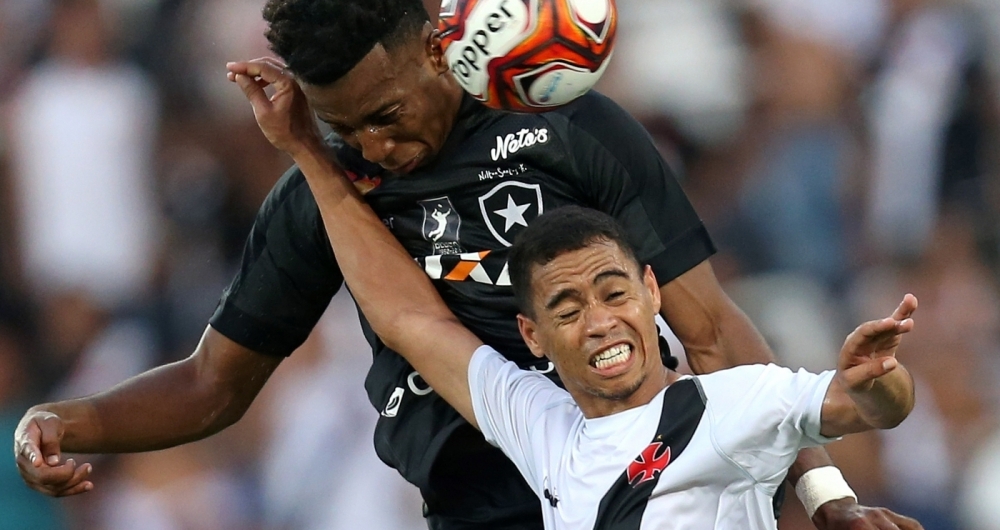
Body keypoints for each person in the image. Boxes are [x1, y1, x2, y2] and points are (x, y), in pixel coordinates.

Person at [14, 0, 921, 528]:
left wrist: (825, 495)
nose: (376, 144)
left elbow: (715, 334)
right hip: (480, 506)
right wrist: (63, 420)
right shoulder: (322, 189)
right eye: (346, 127)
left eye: (387, 112)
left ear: (435, 49)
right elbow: (216, 382)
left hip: (656, 479)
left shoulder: (572, 130)